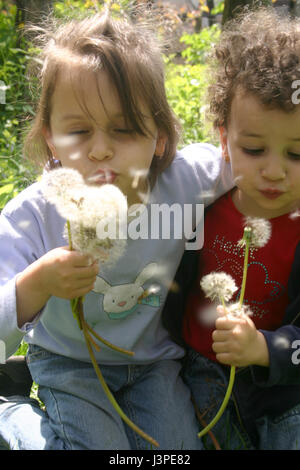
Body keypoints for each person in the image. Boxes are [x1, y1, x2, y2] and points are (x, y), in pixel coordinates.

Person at [0, 8, 233, 450]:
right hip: (71, 364)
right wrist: (39, 281)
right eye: (79, 131)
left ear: (160, 137)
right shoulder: (33, 215)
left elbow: (251, 161)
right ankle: (12, 416)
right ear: (50, 135)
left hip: (152, 363)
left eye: (124, 130)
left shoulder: (183, 181)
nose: (102, 150)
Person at [163, 7, 300, 450]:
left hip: (283, 387)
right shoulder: (200, 204)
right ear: (224, 139)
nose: (275, 171)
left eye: (297, 154)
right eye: (254, 149)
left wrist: (266, 349)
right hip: (201, 368)